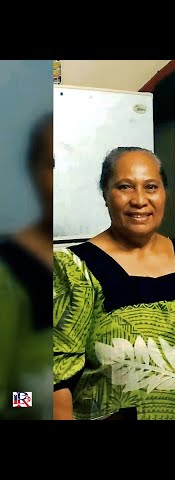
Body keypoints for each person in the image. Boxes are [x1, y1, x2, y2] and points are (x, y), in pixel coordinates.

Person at [53, 147, 175, 420]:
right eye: (125, 187)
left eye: (151, 187)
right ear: (105, 195)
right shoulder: (74, 270)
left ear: (164, 193)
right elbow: (53, 382)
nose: (139, 200)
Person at [0, 113, 53, 420]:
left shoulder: (83, 259)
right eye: (52, 165)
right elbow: (9, 392)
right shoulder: (9, 269)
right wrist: (34, 401)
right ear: (34, 171)